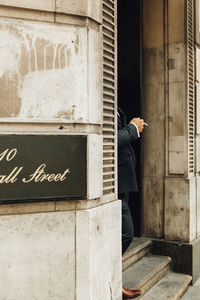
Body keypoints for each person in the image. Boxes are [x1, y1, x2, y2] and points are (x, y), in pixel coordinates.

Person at [118, 107, 144, 299]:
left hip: (122, 182)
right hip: (114, 182)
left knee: (124, 233)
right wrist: (133, 128)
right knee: (127, 234)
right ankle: (108, 277)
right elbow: (110, 138)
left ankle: (114, 280)